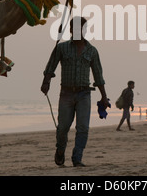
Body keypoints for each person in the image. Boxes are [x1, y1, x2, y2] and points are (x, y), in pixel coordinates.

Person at [41, 16, 108, 167]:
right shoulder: (61, 48)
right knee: (63, 128)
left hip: (84, 94)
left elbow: (98, 75)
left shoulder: (92, 51)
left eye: (82, 28)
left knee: (83, 127)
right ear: (70, 30)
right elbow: (50, 66)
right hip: (66, 94)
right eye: (76, 28)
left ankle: (77, 158)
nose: (79, 31)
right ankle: (60, 150)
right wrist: (46, 82)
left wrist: (104, 97)